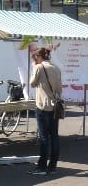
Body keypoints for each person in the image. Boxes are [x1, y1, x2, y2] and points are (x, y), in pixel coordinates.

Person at [28, 47, 62, 175]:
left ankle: (42, 167)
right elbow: (59, 89)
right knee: (54, 136)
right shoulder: (56, 68)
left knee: (44, 137)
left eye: (34, 58)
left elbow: (32, 83)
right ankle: (52, 167)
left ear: (38, 57)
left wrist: (33, 68)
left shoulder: (39, 68)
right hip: (55, 106)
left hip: (42, 105)